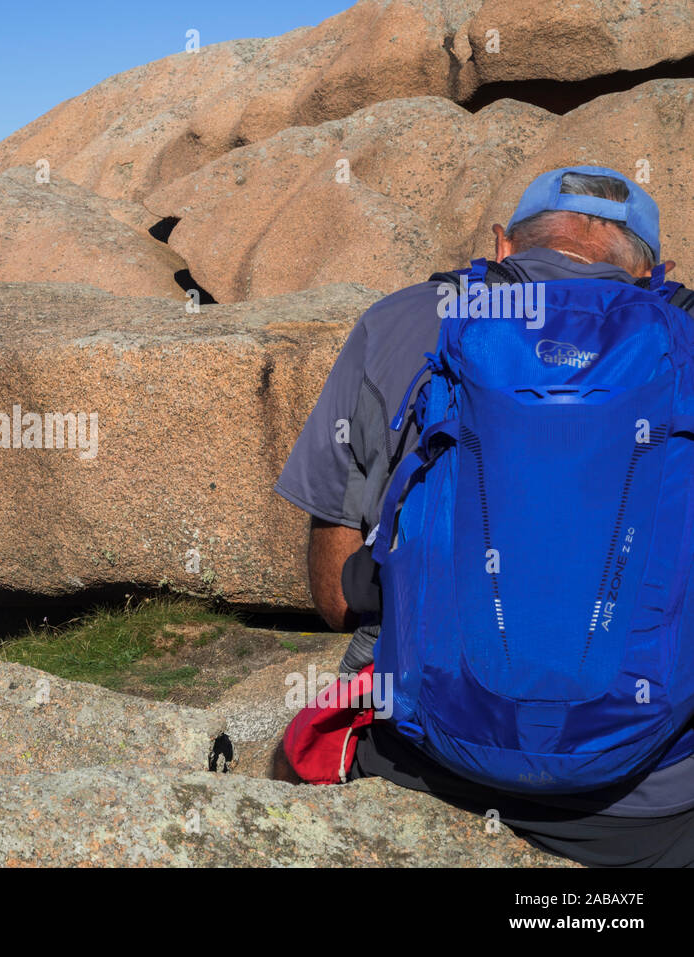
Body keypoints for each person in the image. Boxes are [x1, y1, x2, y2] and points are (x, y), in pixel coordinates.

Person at [273, 165, 694, 867]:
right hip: (653, 799)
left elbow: (335, 598)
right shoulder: (682, 334)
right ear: (659, 272)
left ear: (502, 246)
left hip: (428, 764)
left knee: (286, 764)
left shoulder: (403, 320)